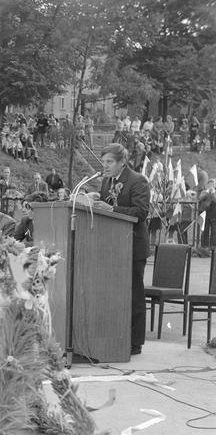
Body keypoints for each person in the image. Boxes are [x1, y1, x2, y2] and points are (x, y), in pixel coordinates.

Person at [91, 143, 150, 356]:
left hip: (133, 246)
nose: (104, 166)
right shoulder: (106, 181)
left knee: (133, 294)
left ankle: (135, 343)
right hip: (112, 248)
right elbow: (106, 208)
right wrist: (95, 199)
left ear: (121, 162)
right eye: (103, 161)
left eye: (109, 162)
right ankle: (115, 335)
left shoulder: (138, 180)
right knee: (113, 294)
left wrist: (112, 208)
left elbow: (141, 212)